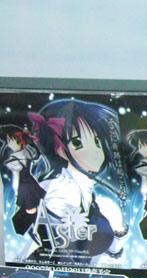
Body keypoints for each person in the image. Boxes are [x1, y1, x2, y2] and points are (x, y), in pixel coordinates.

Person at [27, 99, 128, 266]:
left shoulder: (81, 185)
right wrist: (117, 230)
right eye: (77, 143)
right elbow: (74, 257)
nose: (94, 151)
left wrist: (117, 230)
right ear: (59, 148)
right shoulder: (62, 189)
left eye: (97, 142)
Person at [0, 125, 47, 234]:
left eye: (10, 141)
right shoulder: (22, 153)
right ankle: (41, 234)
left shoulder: (20, 155)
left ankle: (42, 235)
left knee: (30, 213)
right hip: (26, 186)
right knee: (31, 214)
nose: (8, 144)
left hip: (26, 187)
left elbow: (17, 167)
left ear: (19, 141)